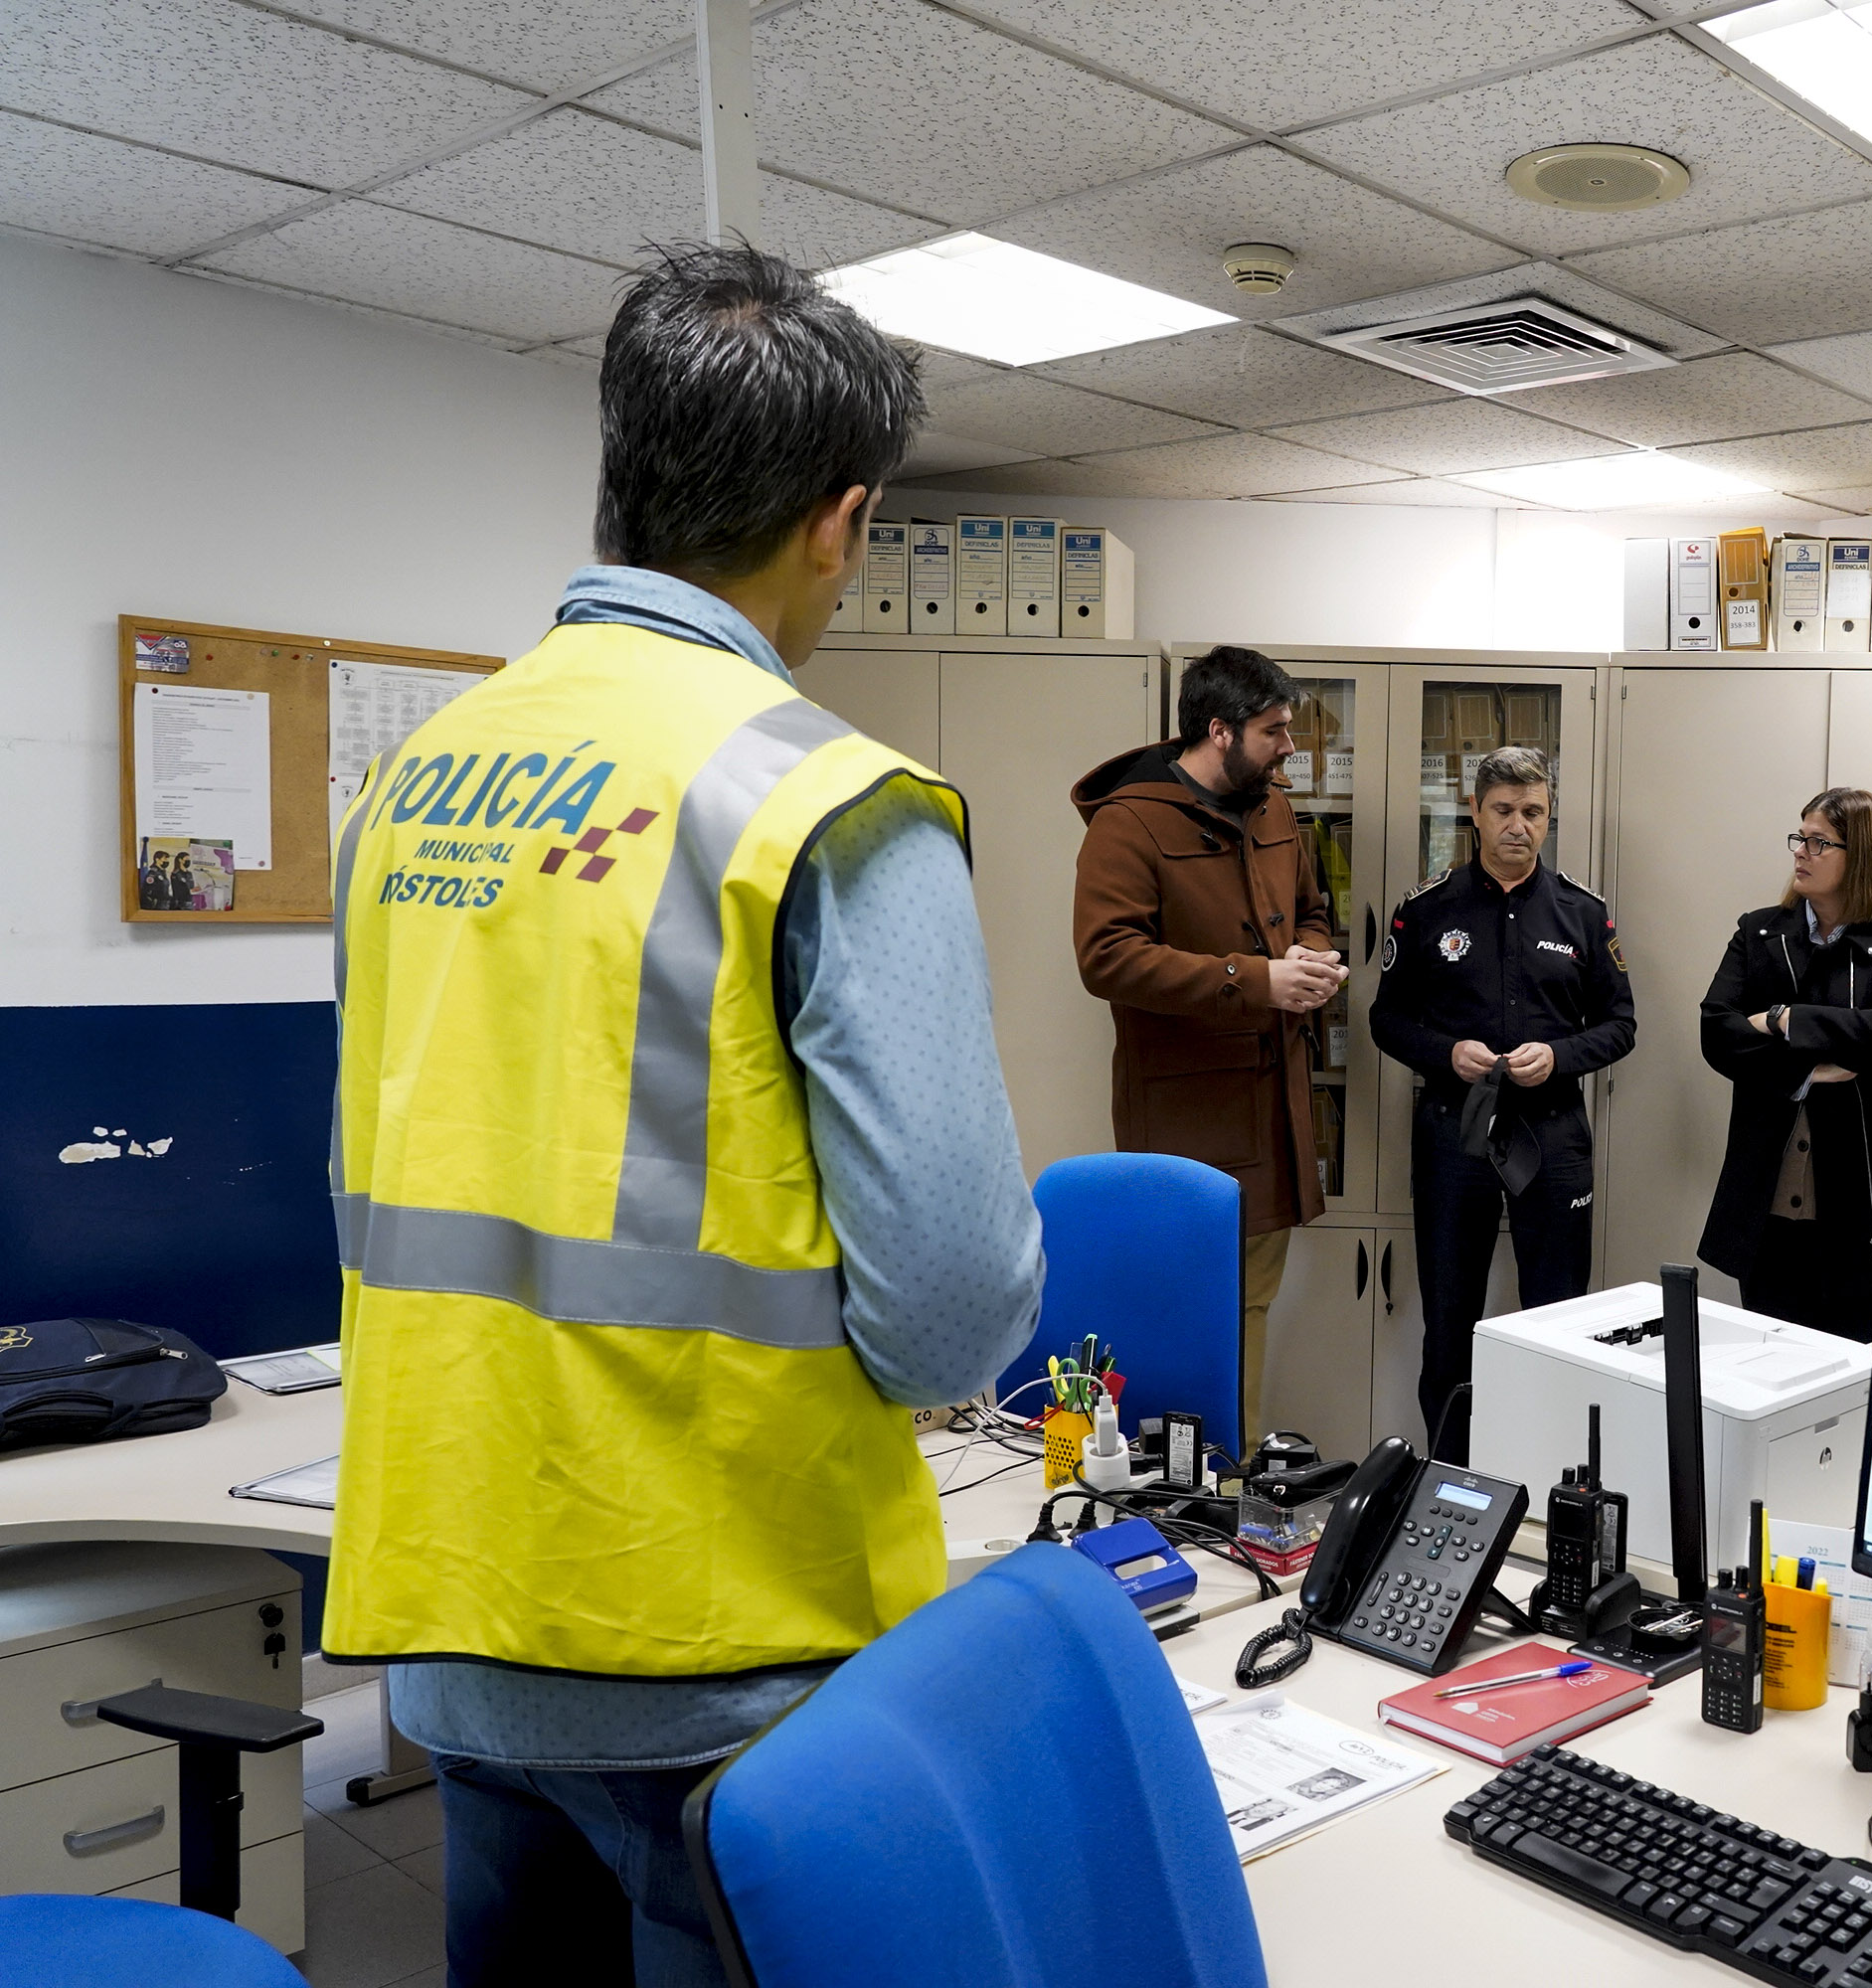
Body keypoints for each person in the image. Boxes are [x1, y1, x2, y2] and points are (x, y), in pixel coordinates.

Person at [326, 244, 1044, 1987]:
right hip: (719, 1656)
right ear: (840, 520)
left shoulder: (408, 783)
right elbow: (951, 1315)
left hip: (459, 1619)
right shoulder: (831, 804)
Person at [1073, 644, 1343, 1439]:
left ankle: (1236, 1473)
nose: (1289, 748)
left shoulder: (1275, 810)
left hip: (1275, 1117)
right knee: (1183, 1310)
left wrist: (1312, 957)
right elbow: (1106, 958)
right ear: (1220, 731)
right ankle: (1196, 1482)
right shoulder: (1128, 823)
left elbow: (1311, 910)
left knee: (1252, 1306)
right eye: (1274, 732)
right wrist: (1255, 980)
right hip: (1188, 1127)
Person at [1369, 745, 1635, 1458]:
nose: (1520, 826)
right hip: (1455, 1134)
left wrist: (1559, 1057)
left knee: (1557, 1320)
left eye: (1534, 812)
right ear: (1475, 813)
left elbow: (1621, 1025)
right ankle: (1449, 1479)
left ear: (1550, 816)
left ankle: (1548, 1477)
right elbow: (1385, 1020)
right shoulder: (1426, 910)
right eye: (1504, 810)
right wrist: (1445, 1053)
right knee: (1449, 1321)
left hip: (1552, 1133)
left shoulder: (1583, 913)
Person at [1700, 788, 1872, 1340]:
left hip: (1871, 1201)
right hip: (1770, 1201)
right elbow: (1717, 1033)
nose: (1800, 852)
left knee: (1863, 1362)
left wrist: (1782, 1019)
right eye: (1800, 838)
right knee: (1770, 1361)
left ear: (1862, 855)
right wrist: (1809, 1068)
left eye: (1819, 843)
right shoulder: (1759, 932)